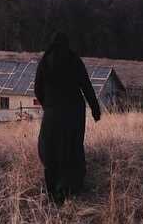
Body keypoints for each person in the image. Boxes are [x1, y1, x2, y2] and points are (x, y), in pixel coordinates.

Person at [34, 32, 101, 205]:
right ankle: (69, 187)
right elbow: (86, 86)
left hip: (53, 114)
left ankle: (53, 190)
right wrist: (95, 109)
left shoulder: (45, 61)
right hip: (74, 113)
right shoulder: (74, 60)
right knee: (72, 148)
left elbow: (37, 89)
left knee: (51, 149)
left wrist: (47, 105)